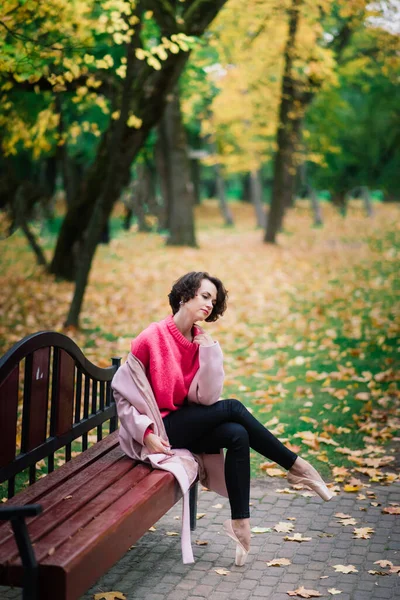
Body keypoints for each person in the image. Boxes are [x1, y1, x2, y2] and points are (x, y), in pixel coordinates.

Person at [128, 271, 334, 566]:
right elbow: (122, 395)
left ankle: (240, 523)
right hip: (160, 428)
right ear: (185, 296)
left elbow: (208, 400)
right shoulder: (151, 338)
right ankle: (297, 465)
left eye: (214, 299)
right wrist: (145, 432)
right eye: (204, 296)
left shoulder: (200, 341)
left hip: (185, 422)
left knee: (238, 433)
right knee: (235, 408)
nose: (210, 304)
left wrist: (209, 353)